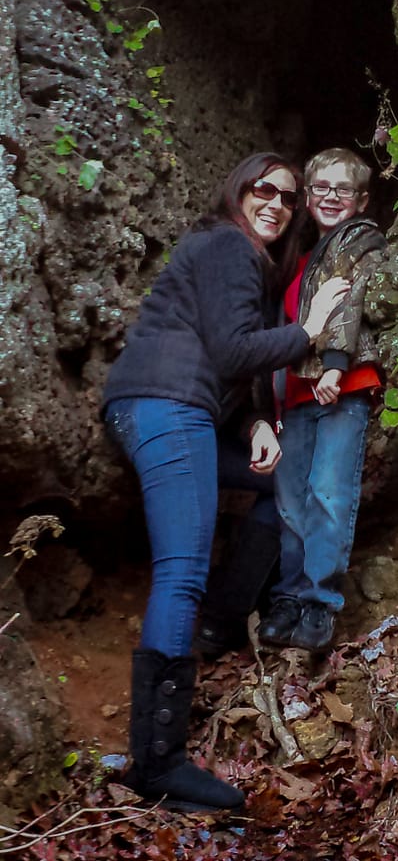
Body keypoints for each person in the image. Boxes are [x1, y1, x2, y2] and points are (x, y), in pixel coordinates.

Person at [102, 152, 350, 812]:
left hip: (183, 410)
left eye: (287, 196)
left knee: (282, 486)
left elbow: (222, 361)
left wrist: (253, 427)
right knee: (180, 569)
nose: (274, 202)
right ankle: (158, 763)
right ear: (236, 190)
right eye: (260, 189)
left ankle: (218, 621)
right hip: (166, 406)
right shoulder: (224, 244)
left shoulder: (242, 261)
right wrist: (312, 328)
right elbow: (235, 351)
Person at [258, 148, 387, 653]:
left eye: (343, 189)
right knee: (291, 504)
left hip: (342, 385)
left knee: (329, 495)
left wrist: (335, 361)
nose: (331, 196)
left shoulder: (360, 239)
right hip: (293, 395)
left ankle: (318, 602)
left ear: (361, 199)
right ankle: (287, 598)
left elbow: (350, 300)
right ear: (307, 196)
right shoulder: (301, 257)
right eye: (321, 187)